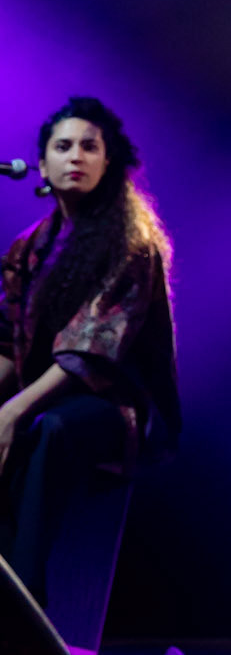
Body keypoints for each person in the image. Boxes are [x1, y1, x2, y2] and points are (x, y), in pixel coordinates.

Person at [0, 96, 180, 614]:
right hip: (44, 402)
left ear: (108, 160)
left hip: (115, 409)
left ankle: (24, 609)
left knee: (48, 429)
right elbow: (5, 339)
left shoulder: (131, 243)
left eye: (89, 146)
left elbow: (90, 351)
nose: (75, 156)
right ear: (42, 164)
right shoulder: (27, 248)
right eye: (63, 146)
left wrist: (13, 410)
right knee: (28, 427)